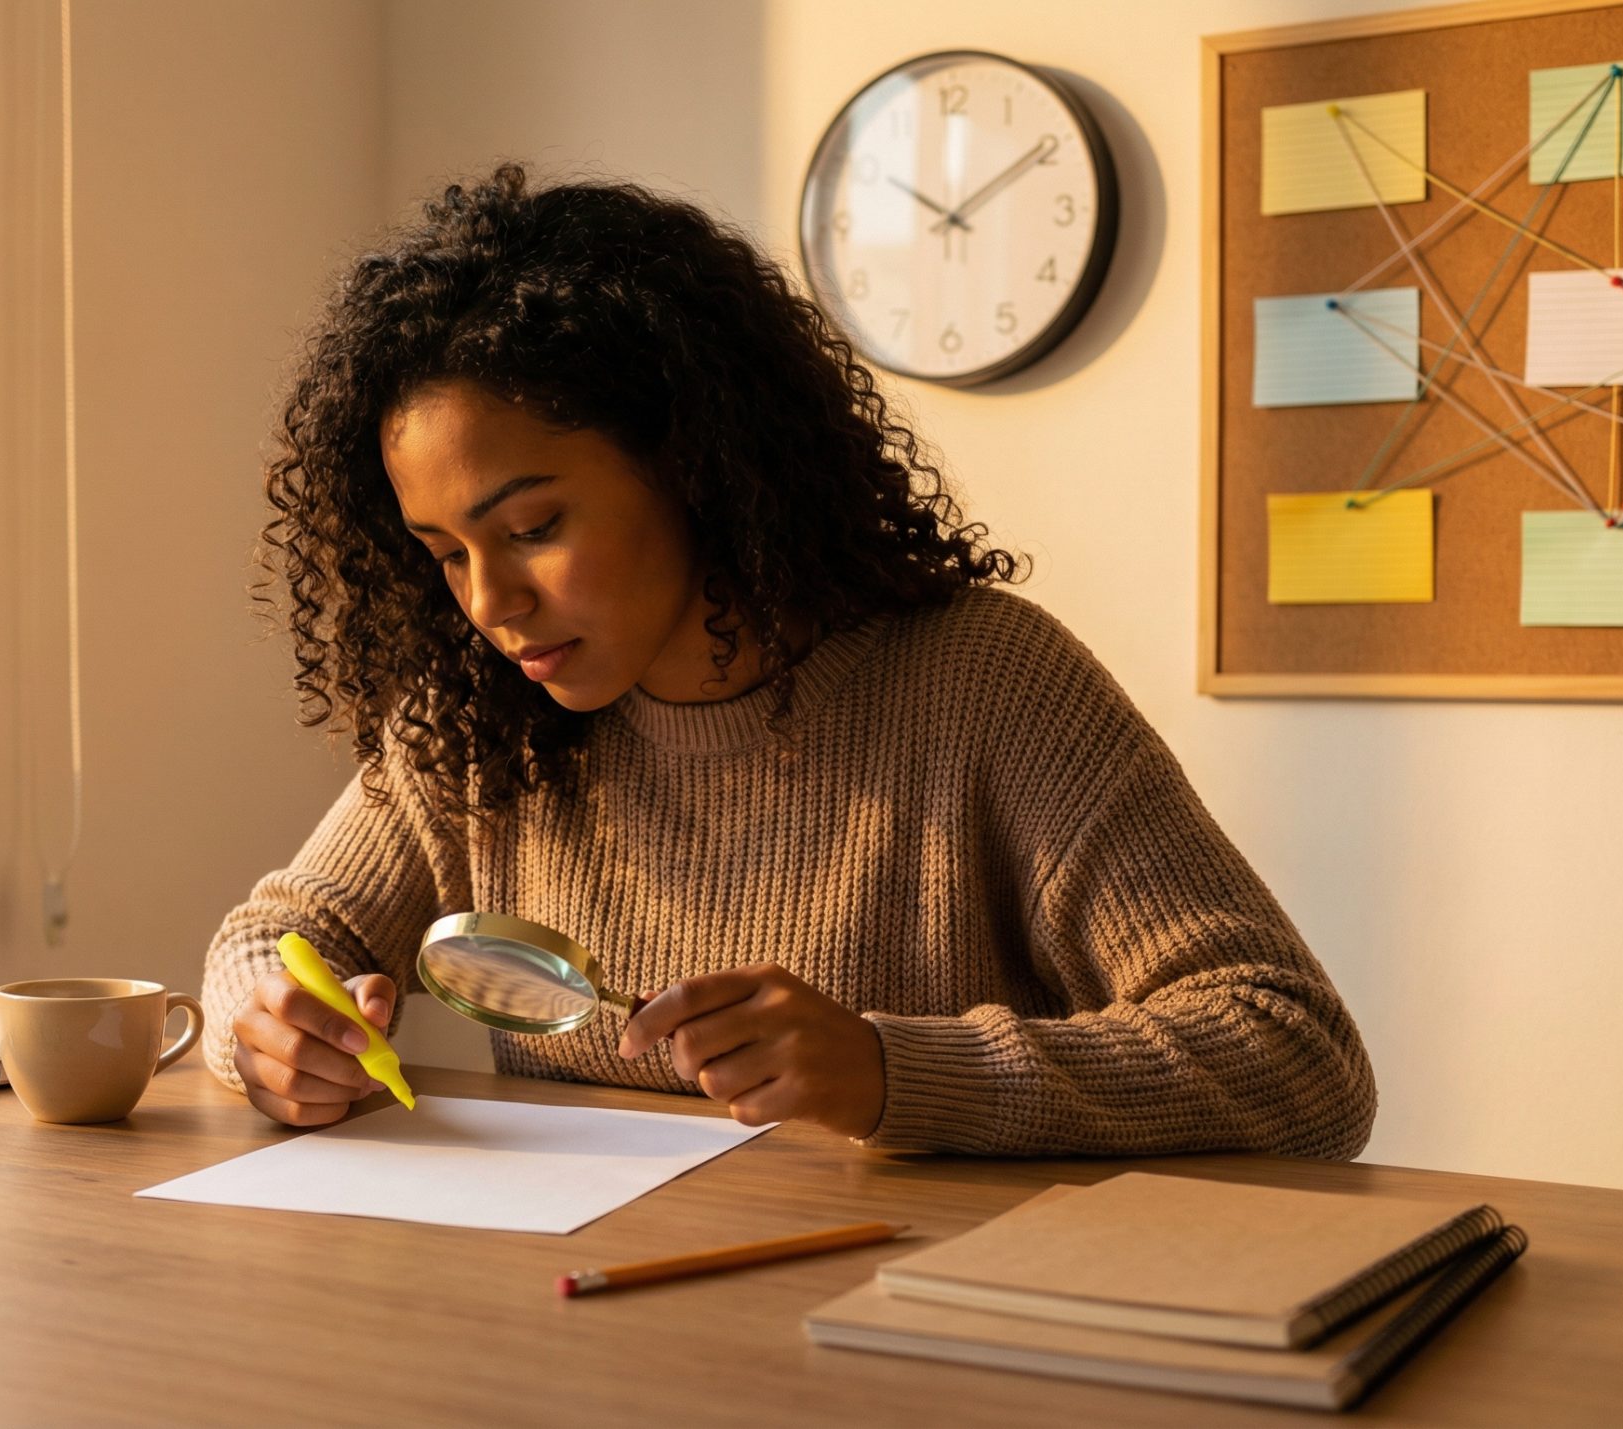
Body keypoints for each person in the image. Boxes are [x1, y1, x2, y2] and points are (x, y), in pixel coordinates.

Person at [200, 163, 1375, 1157]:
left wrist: (890, 1071)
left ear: (692, 465)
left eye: (534, 528)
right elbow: (277, 933)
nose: (490, 604)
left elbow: (1299, 1058)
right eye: (444, 552)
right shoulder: (477, 718)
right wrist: (269, 1025)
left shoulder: (985, 683)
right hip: (580, 1324)